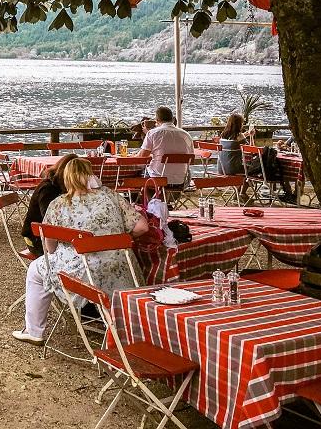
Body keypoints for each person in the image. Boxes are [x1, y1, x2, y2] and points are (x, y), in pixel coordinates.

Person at [13, 158, 148, 345]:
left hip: (82, 272)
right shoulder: (111, 196)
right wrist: (120, 238)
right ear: (90, 175)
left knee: (36, 270)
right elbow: (142, 227)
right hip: (121, 268)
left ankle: (34, 331)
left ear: (67, 178)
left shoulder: (59, 204)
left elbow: (50, 248)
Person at [21, 153, 77, 255]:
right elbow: (48, 218)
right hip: (35, 238)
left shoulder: (61, 186)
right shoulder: (48, 189)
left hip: (50, 234)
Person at [139, 106, 193, 186]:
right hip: (182, 181)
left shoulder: (152, 133)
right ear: (173, 119)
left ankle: (150, 197)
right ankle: (162, 197)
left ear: (157, 120)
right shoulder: (186, 135)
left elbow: (142, 156)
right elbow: (190, 156)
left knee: (137, 173)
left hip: (157, 178)